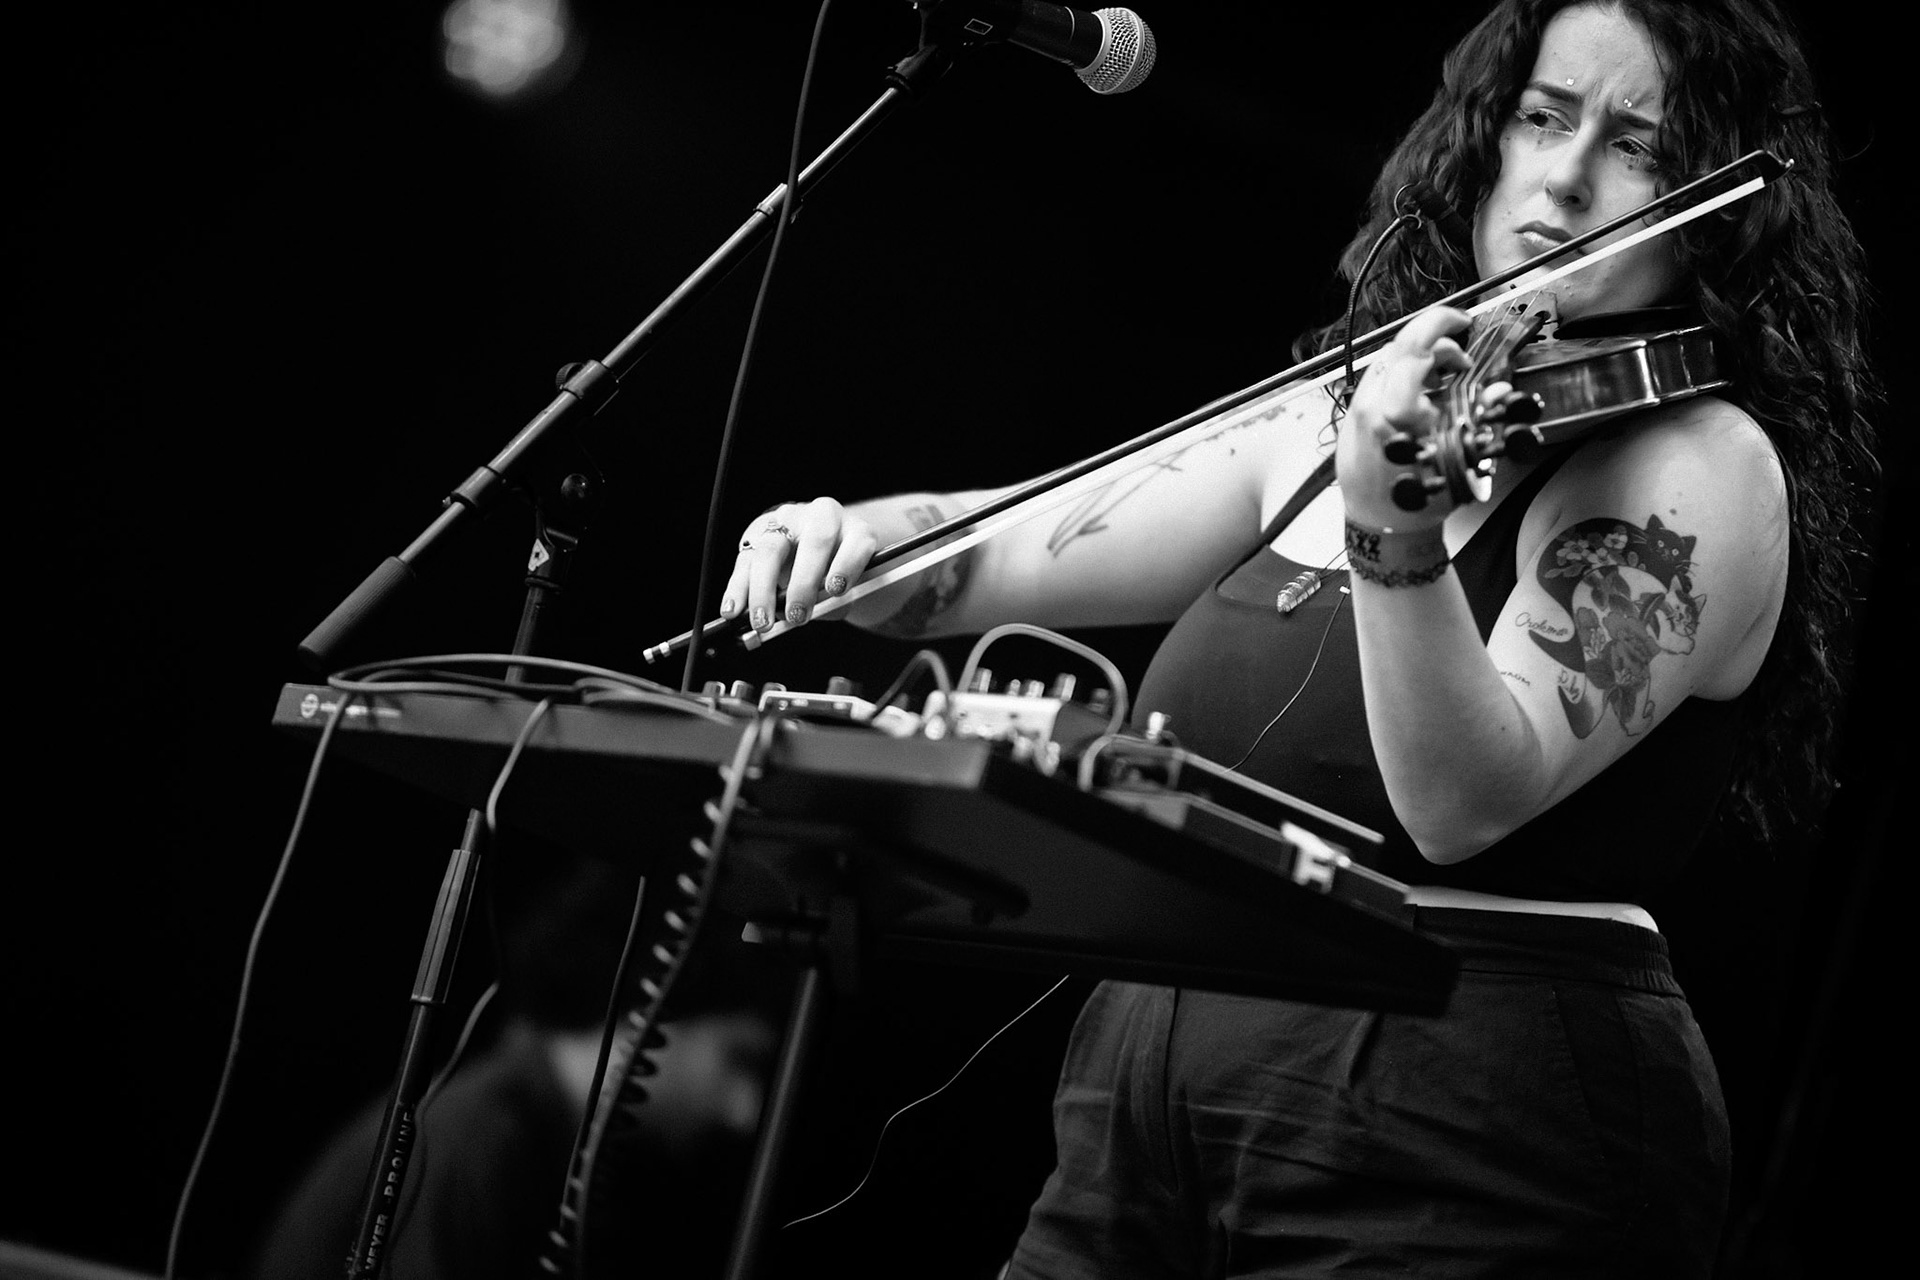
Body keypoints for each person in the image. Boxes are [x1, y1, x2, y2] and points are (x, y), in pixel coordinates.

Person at [720, 0, 1878, 1275]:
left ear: (1722, 195)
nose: (1566, 173)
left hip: (1468, 1109)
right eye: (1543, 117)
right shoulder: (1337, 413)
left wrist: (1392, 525)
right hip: (1151, 1089)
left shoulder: (1700, 465)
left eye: (1643, 148)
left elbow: (1461, 797)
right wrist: (857, 539)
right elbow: (988, 551)